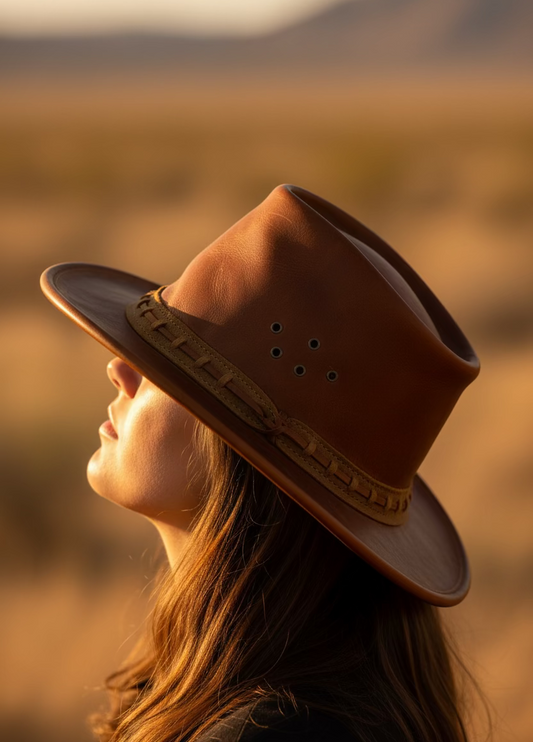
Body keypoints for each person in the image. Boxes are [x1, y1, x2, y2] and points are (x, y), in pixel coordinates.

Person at [40, 184, 490, 742]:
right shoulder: (306, 700)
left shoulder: (270, 730)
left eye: (171, 367)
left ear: (241, 452)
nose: (119, 370)